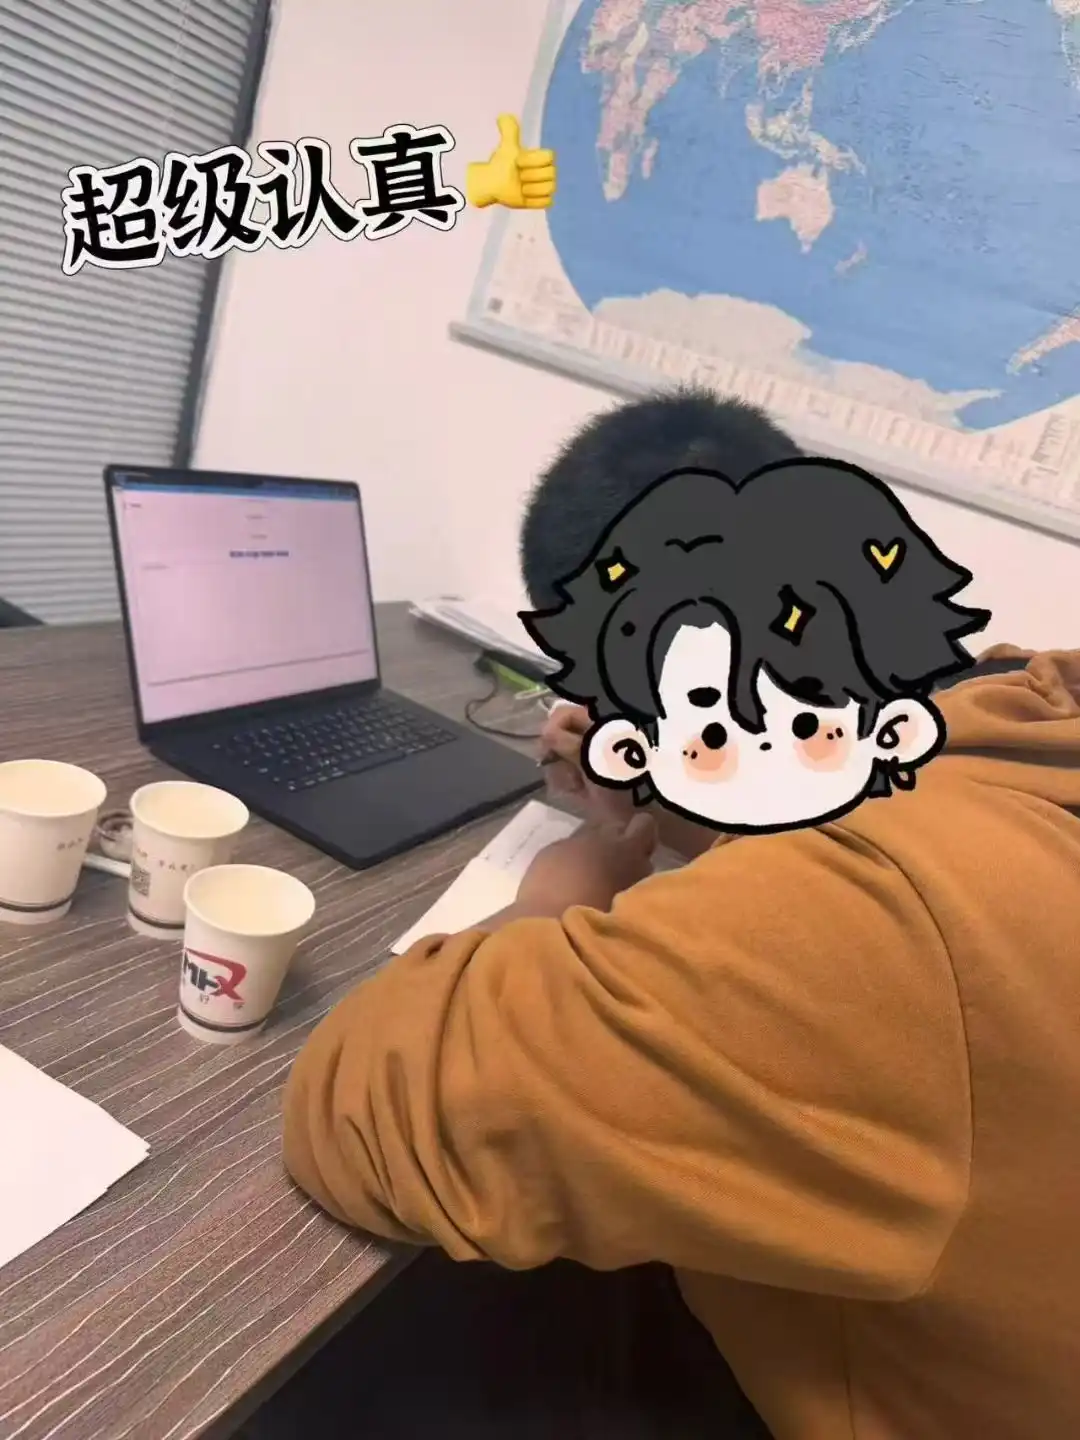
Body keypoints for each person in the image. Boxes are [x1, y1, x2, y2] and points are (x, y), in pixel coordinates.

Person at [262, 392, 1080, 1440]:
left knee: (355, 1355)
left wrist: (557, 896)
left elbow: (356, 1114)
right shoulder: (1015, 712)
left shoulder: (879, 913)